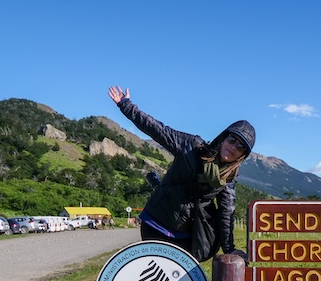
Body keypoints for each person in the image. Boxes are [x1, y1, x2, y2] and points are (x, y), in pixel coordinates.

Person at [108, 86, 254, 262]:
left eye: (241, 147)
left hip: (186, 234)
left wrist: (230, 249)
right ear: (224, 137)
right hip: (156, 221)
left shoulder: (228, 179)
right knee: (153, 272)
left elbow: (226, 214)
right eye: (232, 140)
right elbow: (157, 129)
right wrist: (126, 105)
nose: (233, 148)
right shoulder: (191, 146)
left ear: (242, 156)